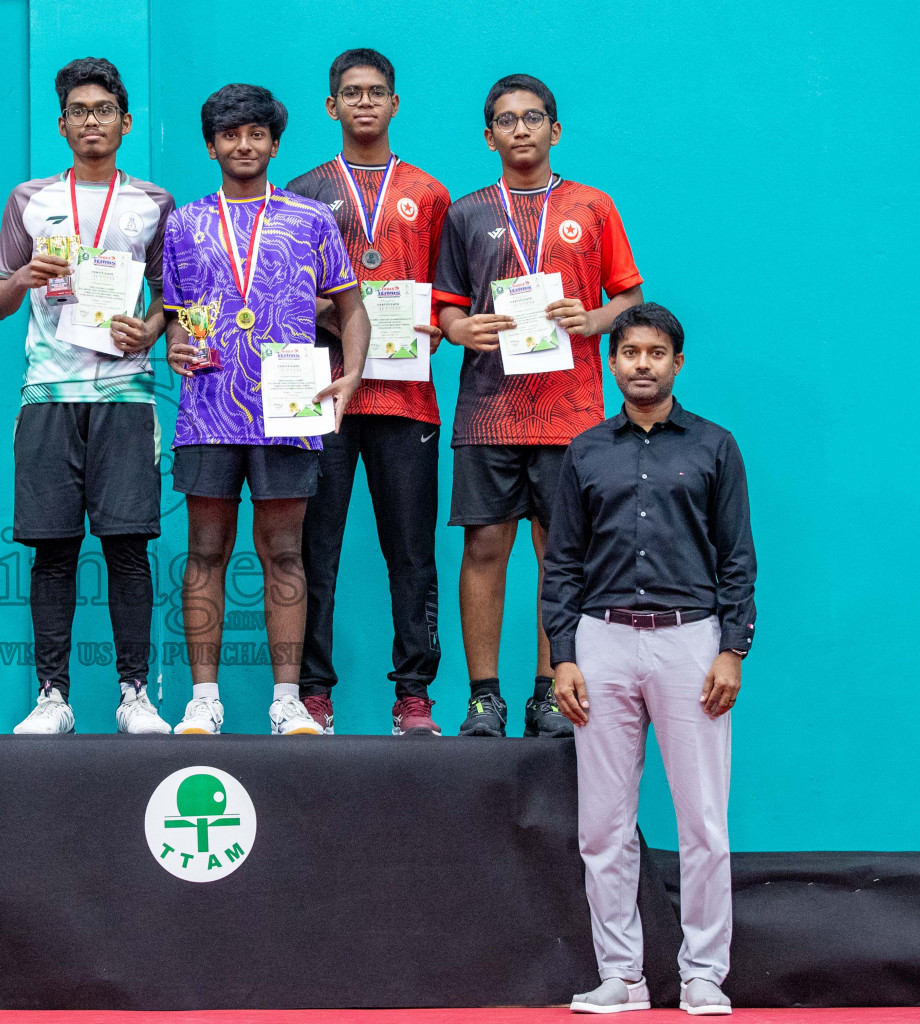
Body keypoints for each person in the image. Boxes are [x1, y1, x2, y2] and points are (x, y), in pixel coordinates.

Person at [542, 303, 755, 1015]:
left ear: (677, 363)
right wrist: (563, 656)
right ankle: (622, 977)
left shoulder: (715, 447)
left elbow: (738, 558)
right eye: (629, 351)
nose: (641, 363)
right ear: (612, 362)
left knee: (702, 821)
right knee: (601, 825)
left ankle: (702, 974)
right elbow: (562, 563)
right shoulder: (586, 452)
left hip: (690, 642)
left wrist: (731, 649)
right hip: (600, 640)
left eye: (655, 353)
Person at [434, 73, 644, 738]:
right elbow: (446, 307)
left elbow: (629, 301)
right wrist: (457, 329)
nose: (519, 129)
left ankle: (552, 690)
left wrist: (595, 319)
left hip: (572, 415)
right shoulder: (465, 213)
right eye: (505, 119)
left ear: (555, 130)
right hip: (488, 412)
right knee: (485, 548)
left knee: (562, 555)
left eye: (532, 118)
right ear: (488, 135)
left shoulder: (594, 206)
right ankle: (483, 698)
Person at [164, 83, 367, 736]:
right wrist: (175, 344)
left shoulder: (311, 220)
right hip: (208, 411)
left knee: (285, 552)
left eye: (257, 134)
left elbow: (352, 310)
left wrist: (353, 376)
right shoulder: (185, 223)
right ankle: (203, 700)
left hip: (290, 407)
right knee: (204, 551)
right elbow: (177, 319)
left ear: (275, 144)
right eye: (231, 134)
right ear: (211, 145)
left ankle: (288, 701)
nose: (244, 144)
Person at [0, 57, 176, 735]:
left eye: (103, 111)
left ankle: (135, 696)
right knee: (52, 550)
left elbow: (173, 299)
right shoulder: (29, 200)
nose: (90, 121)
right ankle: (52, 698)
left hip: (127, 396)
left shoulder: (153, 203)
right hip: (48, 393)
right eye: (78, 111)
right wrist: (25, 274)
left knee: (128, 548)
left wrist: (147, 330)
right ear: (62, 123)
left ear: (125, 123)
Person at [286, 48, 452, 736]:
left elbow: (450, 293)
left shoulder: (432, 193)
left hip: (405, 397)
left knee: (411, 552)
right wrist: (336, 315)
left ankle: (413, 695)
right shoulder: (301, 191)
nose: (363, 103)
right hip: (324, 394)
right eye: (350, 93)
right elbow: (282, 296)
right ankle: (313, 694)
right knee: (313, 546)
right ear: (332, 106)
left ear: (394, 104)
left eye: (375, 92)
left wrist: (439, 322)